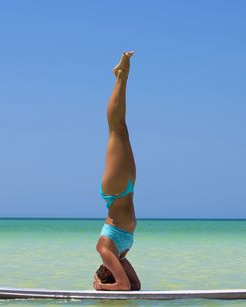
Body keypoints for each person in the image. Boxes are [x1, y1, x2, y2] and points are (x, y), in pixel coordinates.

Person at [93, 51, 141, 291]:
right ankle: (121, 77)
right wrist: (109, 286)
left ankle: (121, 76)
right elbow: (133, 285)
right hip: (128, 189)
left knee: (116, 128)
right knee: (124, 130)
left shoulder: (103, 249)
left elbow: (122, 286)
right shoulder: (118, 256)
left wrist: (101, 288)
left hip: (116, 191)